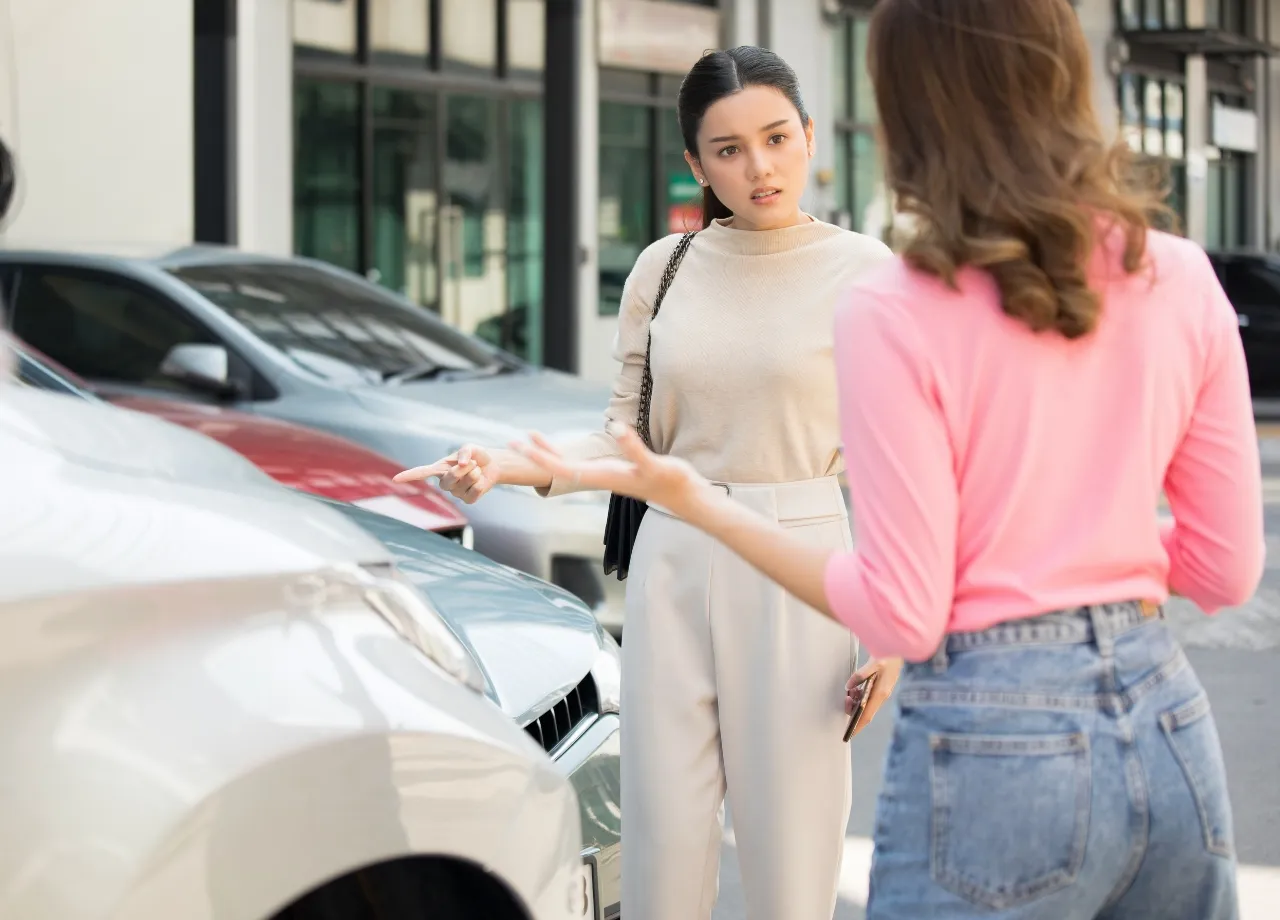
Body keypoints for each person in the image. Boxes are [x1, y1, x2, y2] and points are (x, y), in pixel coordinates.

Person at [508, 2, 1266, 918]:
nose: (762, 165)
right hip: (1167, 722)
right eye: (730, 148)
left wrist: (699, 504)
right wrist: (1102, 579)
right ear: (1073, 79)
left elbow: (907, 607)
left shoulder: (893, 302)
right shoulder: (1183, 275)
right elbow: (1225, 569)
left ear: (910, 113)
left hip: (993, 731)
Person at [394, 46, 901, 920]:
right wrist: (506, 464)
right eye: (729, 149)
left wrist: (891, 623)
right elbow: (622, 436)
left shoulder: (867, 273)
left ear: (809, 136)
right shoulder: (664, 268)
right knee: (662, 850)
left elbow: (898, 464)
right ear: (695, 164)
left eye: (777, 138)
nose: (760, 166)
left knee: (792, 860)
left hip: (797, 560)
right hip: (672, 561)